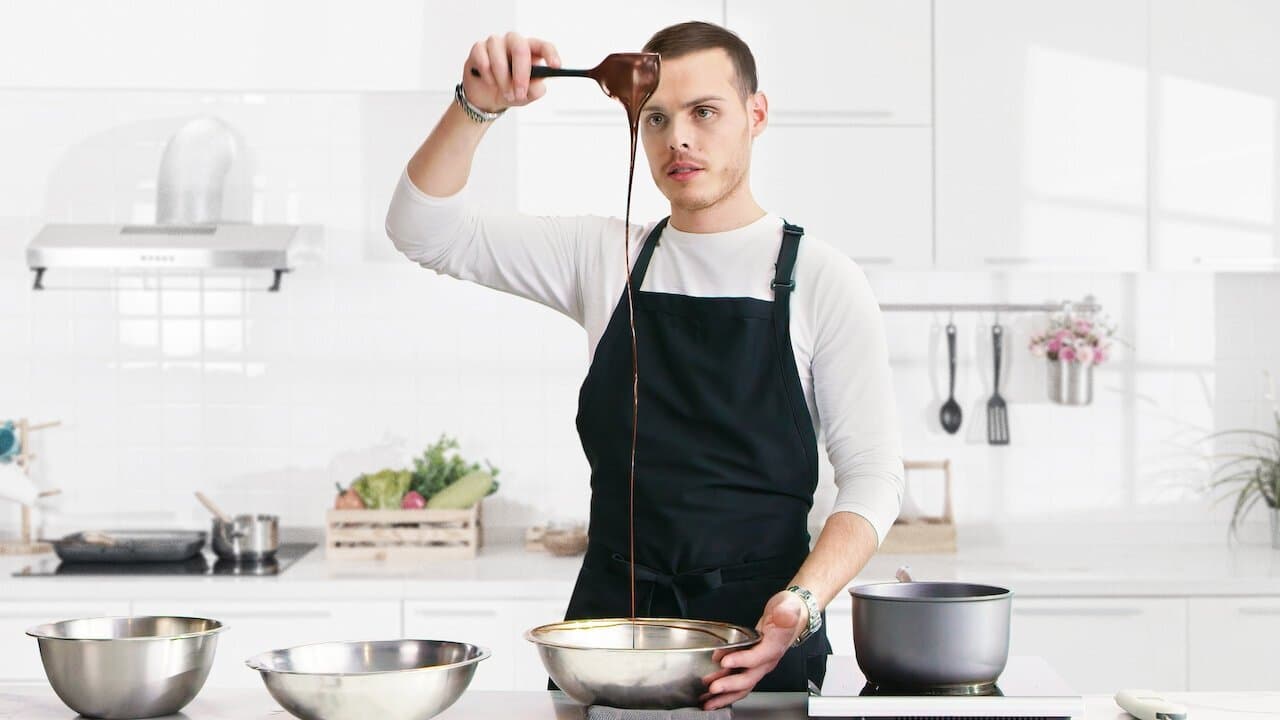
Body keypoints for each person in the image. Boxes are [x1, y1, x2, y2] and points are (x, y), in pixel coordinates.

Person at [385, 20, 903, 710]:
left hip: (757, 644)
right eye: (654, 117)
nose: (676, 138)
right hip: (609, 639)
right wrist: (478, 106)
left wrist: (801, 605)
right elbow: (422, 229)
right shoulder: (604, 258)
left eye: (704, 112)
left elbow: (872, 479)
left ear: (756, 115)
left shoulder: (823, 280)